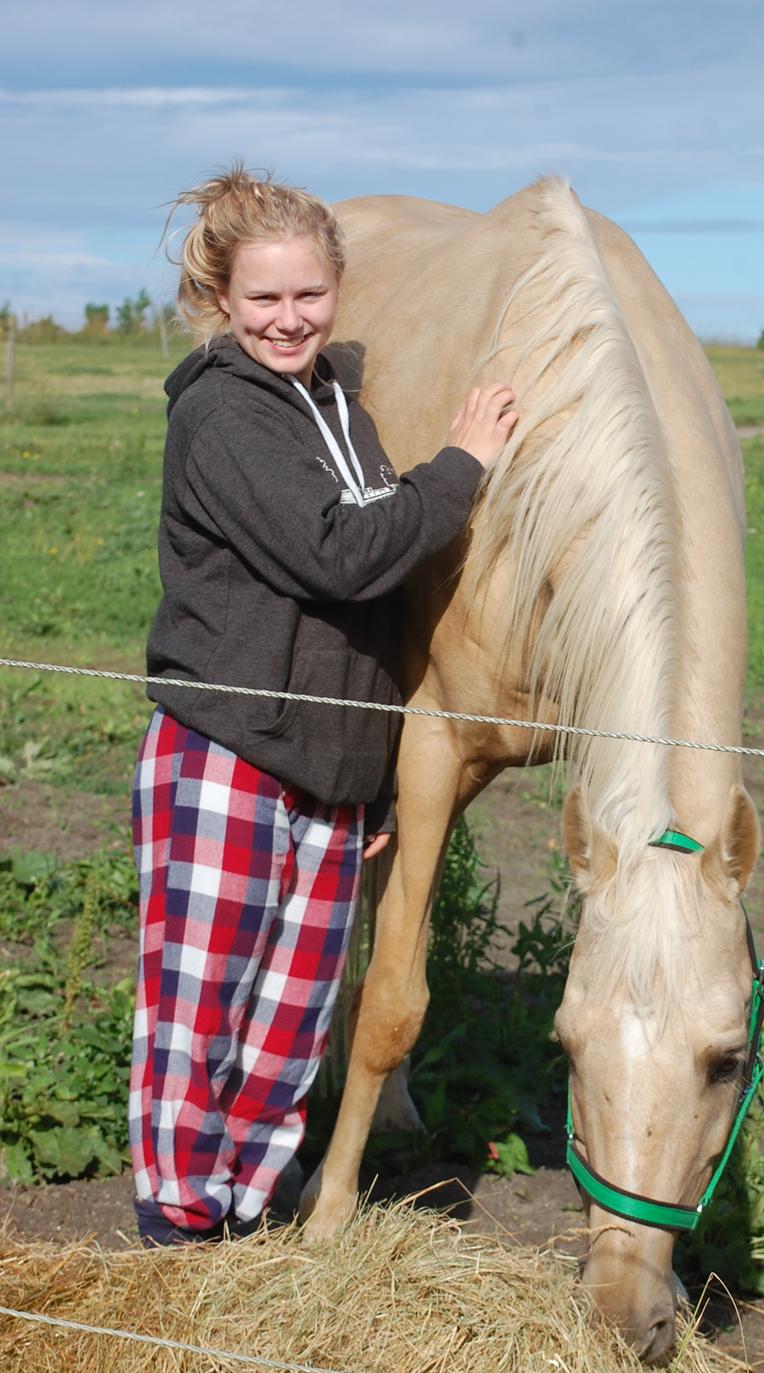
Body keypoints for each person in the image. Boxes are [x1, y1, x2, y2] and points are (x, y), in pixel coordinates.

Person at [130, 165, 517, 1247]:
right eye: (263, 298)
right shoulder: (222, 415)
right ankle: (177, 1233)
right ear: (220, 298)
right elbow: (343, 556)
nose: (288, 318)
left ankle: (245, 1220)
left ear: (337, 290)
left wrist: (368, 767)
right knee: (202, 1016)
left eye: (308, 295)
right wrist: (461, 466)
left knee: (287, 1027)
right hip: (230, 752)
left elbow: (378, 613)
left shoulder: (337, 406)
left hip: (324, 772)